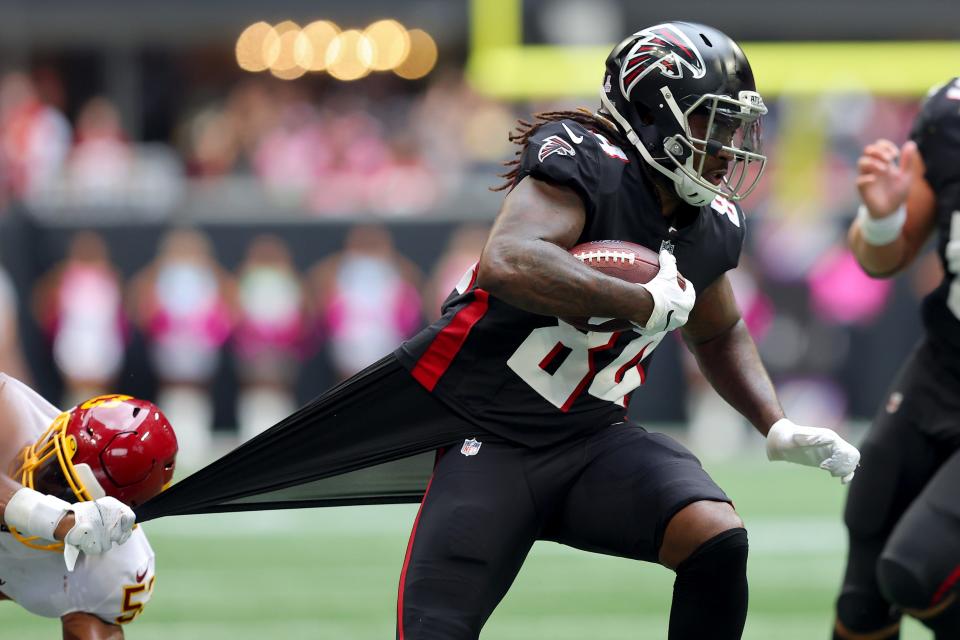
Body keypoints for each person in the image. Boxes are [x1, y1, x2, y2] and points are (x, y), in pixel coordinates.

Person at [135, 22, 860, 639]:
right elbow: (509, 261)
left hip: (592, 442)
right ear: (651, 116)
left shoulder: (707, 223)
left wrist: (775, 423)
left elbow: (719, 330)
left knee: (716, 538)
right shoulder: (584, 159)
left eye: (734, 125)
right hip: (491, 442)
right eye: (711, 121)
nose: (729, 143)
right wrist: (635, 302)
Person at [831, 78, 960, 640]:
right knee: (867, 565)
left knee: (915, 568)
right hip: (944, 365)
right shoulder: (949, 116)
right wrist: (882, 218)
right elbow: (884, 255)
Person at [0, 379, 177, 638]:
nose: (41, 484)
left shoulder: (114, 572)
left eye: (65, 489)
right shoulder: (9, 411)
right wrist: (58, 519)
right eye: (52, 464)